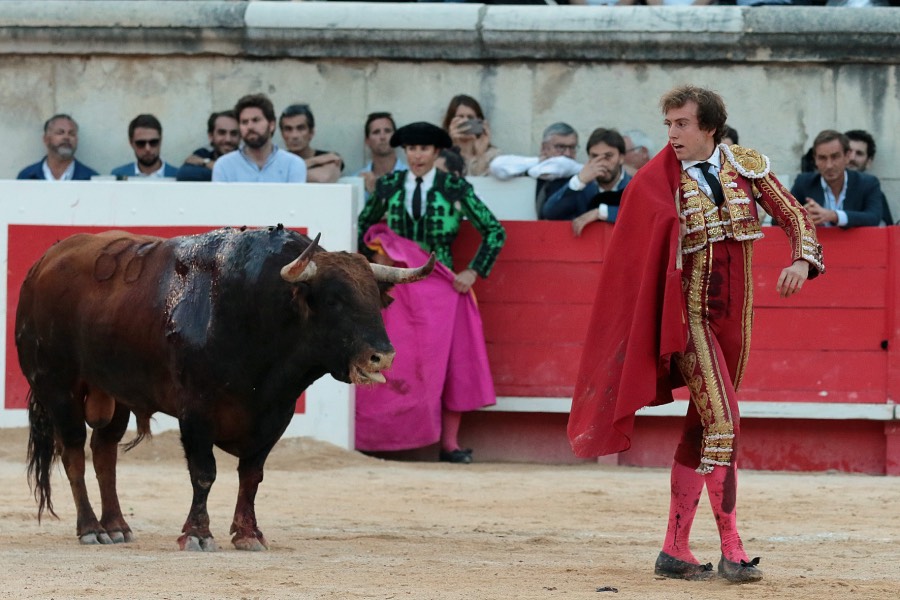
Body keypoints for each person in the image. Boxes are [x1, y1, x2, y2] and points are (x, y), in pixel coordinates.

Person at [568, 85, 824, 584]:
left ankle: (674, 549)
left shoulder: (746, 166)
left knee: (702, 428)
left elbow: (794, 215)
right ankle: (732, 548)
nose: (672, 133)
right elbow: (636, 255)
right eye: (668, 124)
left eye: (681, 123)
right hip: (688, 322)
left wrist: (801, 260)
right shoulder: (655, 181)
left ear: (709, 126)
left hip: (737, 324)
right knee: (725, 423)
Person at [355, 121, 506, 464]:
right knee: (391, 361)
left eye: (423, 149)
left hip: (440, 290)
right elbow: (365, 226)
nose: (416, 155)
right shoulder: (389, 186)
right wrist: (375, 255)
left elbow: (494, 231)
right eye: (411, 149)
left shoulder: (453, 188)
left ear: (436, 152)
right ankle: (376, 438)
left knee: (447, 363)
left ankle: (449, 444)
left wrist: (473, 270)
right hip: (396, 287)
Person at [541, 127, 632, 236]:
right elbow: (549, 213)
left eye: (608, 156)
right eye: (595, 156)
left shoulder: (634, 185)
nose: (601, 163)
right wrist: (579, 181)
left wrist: (601, 212)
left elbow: (641, 214)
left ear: (621, 158)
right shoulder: (582, 186)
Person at [790, 129, 886, 228]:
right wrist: (802, 216)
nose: (829, 165)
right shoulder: (804, 182)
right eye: (822, 158)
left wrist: (834, 216)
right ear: (815, 159)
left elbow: (874, 217)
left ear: (847, 156)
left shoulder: (867, 183)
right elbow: (782, 218)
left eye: (835, 157)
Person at [489, 122, 583, 218]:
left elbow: (562, 165)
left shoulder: (580, 176)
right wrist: (537, 161)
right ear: (544, 148)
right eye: (560, 147)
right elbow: (497, 166)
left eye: (572, 147)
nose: (567, 153)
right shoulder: (530, 167)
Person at [213, 93, 307, 183]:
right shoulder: (224, 166)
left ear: (271, 125)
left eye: (256, 120)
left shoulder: (293, 164)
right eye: (244, 122)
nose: (250, 127)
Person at [17, 114, 99, 180]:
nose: (66, 137)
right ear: (46, 139)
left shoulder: (91, 179)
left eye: (72, 134)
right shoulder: (27, 177)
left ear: (77, 140)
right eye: (60, 133)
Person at [278, 103, 343, 183]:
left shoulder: (330, 158)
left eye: (301, 128)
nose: (294, 135)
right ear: (282, 134)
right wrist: (315, 161)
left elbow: (323, 178)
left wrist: (284, 174)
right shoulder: (276, 159)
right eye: (288, 129)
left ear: (311, 132)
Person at [441, 94, 501, 176]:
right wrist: (453, 147)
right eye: (460, 117)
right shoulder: (439, 154)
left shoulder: (493, 155)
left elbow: (485, 182)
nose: (465, 120)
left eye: (470, 117)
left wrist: (481, 155)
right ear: (450, 122)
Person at [175, 110, 240, 182]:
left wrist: (208, 164)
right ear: (211, 136)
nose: (228, 139)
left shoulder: (246, 157)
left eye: (234, 133)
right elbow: (184, 174)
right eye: (222, 133)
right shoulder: (203, 154)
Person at [844, 129, 892, 225]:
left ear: (869, 162)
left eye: (859, 153)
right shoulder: (818, 186)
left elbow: (885, 228)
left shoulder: (874, 193)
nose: (852, 158)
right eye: (848, 152)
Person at [354, 112, 407, 196]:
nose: (382, 137)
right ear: (367, 141)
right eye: (376, 132)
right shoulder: (356, 181)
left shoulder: (411, 177)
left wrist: (375, 191)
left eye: (387, 131)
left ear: (396, 137)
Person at [110, 114, 179, 179]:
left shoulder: (178, 177)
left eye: (153, 142)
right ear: (131, 143)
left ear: (160, 141)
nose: (147, 149)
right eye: (141, 143)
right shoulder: (118, 176)